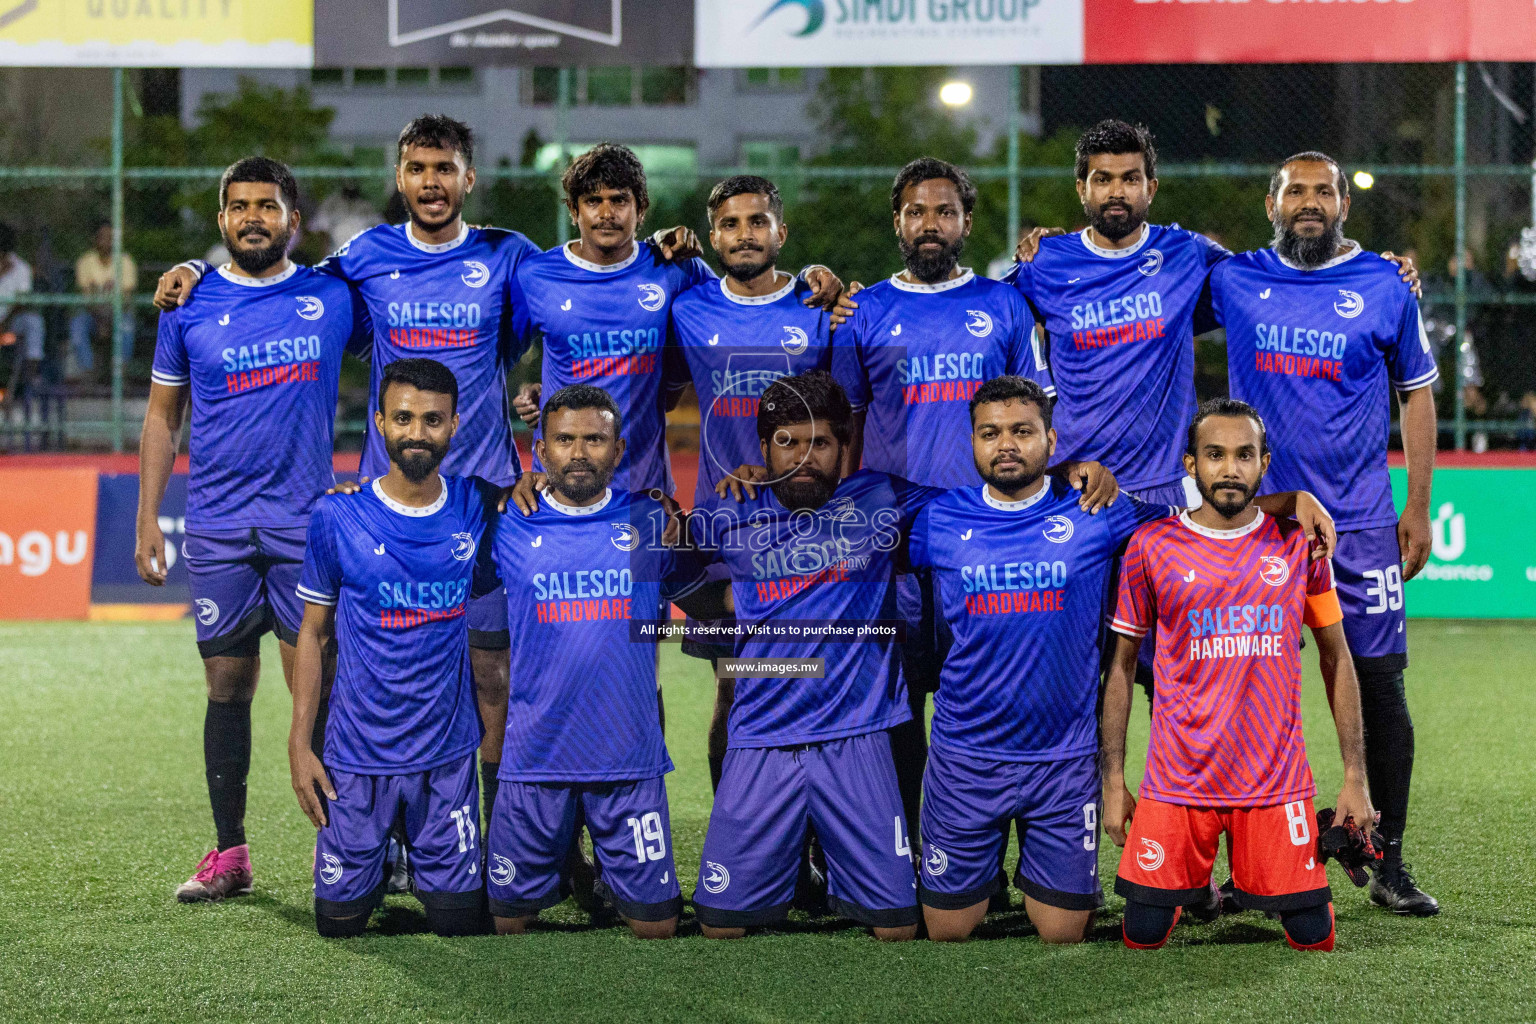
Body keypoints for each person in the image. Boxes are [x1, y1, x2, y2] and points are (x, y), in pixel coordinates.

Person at [154, 116, 538, 827]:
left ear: (468, 178)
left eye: (445, 168)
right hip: (384, 508)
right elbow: (266, 276)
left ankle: (497, 841)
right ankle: (376, 840)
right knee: (380, 678)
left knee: (493, 677)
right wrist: (198, 271)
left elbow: (571, 293)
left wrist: (677, 257)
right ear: (400, 178)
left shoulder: (508, 254)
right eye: (418, 168)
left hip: (482, 499)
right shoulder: (363, 258)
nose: (432, 181)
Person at [907, 376, 1333, 943]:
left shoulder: (1097, 510)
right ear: (972, 442)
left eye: (1022, 431)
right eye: (990, 433)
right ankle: (979, 872)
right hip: (966, 756)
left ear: (1051, 442)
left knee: (1063, 932)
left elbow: (1203, 515)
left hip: (1063, 760)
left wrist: (1292, 501)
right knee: (944, 931)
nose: (1006, 444)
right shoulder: (936, 519)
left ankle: (1025, 871)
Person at [1206, 152, 1440, 916]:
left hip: (1364, 525)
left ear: (1344, 202)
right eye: (1296, 190)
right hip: (1259, 524)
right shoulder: (1231, 277)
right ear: (1271, 202)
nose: (1310, 202)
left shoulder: (1382, 283)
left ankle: (1388, 860)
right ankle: (1251, 870)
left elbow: (1417, 395)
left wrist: (1418, 504)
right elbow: (1144, 276)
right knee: (1243, 692)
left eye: (1324, 191)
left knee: (1380, 686)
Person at [136, 157, 369, 902]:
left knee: (321, 682)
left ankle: (346, 848)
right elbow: (162, 416)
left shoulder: (331, 294)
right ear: (221, 220)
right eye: (238, 207)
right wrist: (148, 515)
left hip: (307, 527)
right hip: (218, 527)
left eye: (267, 206)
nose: (253, 218)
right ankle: (230, 853)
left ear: (294, 221)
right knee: (227, 682)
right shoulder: (189, 305)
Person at [824, 157, 1066, 850]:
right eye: (916, 212)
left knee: (986, 697)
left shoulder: (1005, 306)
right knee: (899, 701)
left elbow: (1036, 419)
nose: (930, 225)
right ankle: (909, 852)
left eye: (944, 212)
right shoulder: (862, 312)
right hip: (893, 539)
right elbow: (849, 427)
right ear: (897, 222)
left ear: (965, 221)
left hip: (989, 537)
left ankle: (987, 859)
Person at [1102, 398, 1373, 952]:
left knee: (1312, 936)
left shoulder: (1300, 546)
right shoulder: (1150, 548)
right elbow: (1122, 667)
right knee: (1142, 934)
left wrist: (1354, 776)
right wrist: (1113, 782)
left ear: (1264, 462)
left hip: (1274, 782)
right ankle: (1194, 890)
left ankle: (1220, 883)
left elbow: (1337, 657)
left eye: (1244, 455)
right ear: (1190, 464)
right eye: (1215, 454)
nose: (1230, 468)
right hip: (1179, 780)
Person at [688, 371, 922, 941]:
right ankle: (792, 872)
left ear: (844, 447)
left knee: (895, 927)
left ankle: (828, 871)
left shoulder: (880, 498)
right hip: (762, 734)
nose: (803, 457)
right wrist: (729, 601)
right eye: (787, 441)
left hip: (857, 736)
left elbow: (990, 504)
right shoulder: (729, 513)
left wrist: (1067, 473)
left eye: (819, 442)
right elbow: (669, 569)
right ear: (762, 449)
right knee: (720, 926)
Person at [484, 384, 716, 939]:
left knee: (656, 928)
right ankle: (575, 875)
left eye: (594, 439)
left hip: (628, 762)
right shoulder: (505, 521)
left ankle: (608, 879)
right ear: (540, 452)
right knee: (507, 924)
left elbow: (711, 603)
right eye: (564, 439)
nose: (579, 452)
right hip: (535, 762)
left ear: (619, 449)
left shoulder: (651, 521)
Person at [289, 357, 497, 938]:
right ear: (379, 422)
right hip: (356, 759)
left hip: (446, 757)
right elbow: (313, 632)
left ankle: (413, 851)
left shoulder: (478, 506)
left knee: (460, 924)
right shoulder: (337, 514)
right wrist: (300, 740)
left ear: (455, 425)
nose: (417, 434)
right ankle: (382, 855)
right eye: (403, 419)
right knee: (338, 925)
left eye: (433, 421)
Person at [509, 145, 842, 496]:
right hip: (562, 484)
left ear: (641, 210)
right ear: (573, 210)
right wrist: (533, 392)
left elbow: (744, 296)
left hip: (644, 487)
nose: (607, 213)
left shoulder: (677, 269)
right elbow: (498, 354)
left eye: (620, 200)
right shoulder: (536, 275)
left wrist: (810, 277)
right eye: (593, 201)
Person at [668, 174, 836, 792]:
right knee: (736, 691)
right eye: (731, 225)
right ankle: (736, 843)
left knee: (812, 690)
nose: (745, 235)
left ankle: (810, 850)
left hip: (808, 537)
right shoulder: (688, 307)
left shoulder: (819, 308)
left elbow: (841, 421)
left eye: (758, 221)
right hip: (724, 535)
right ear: (713, 237)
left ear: (780, 232)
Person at [68, 220, 139, 381]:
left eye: (110, 237)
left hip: (118, 313)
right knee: (78, 325)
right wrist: (101, 320)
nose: (106, 241)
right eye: (102, 236)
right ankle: (88, 373)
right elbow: (86, 297)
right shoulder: (85, 261)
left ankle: (120, 374)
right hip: (92, 314)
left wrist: (108, 319)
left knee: (126, 325)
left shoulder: (125, 261)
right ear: (95, 239)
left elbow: (126, 298)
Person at [0, 223, 47, 409]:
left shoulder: (21, 269)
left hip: (10, 322)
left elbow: (23, 303)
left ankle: (31, 374)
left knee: (33, 322)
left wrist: (4, 322)